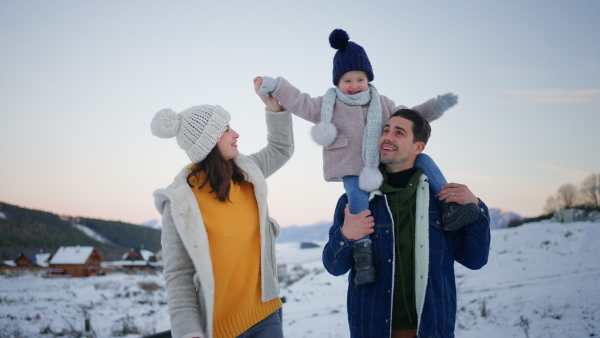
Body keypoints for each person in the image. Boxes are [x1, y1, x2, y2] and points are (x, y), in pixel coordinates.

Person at [259, 28, 479, 285]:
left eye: (359, 79)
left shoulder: (383, 103)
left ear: (368, 79)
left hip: (381, 164)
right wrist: (276, 86)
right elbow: (299, 101)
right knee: (355, 195)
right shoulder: (327, 105)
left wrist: (436, 106)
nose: (354, 86)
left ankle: (449, 204)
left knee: (425, 161)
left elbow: (411, 116)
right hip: (350, 167)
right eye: (347, 80)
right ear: (337, 83)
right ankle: (363, 249)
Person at [322, 108, 491, 338]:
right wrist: (346, 236)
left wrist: (478, 208)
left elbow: (474, 260)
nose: (387, 137)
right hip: (372, 331)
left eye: (399, 133)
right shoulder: (355, 201)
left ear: (418, 147)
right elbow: (334, 267)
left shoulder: (441, 202)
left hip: (431, 330)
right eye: (386, 130)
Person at [150, 77, 293, 338]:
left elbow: (281, 149)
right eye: (226, 129)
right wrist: (188, 332)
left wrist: (274, 108)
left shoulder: (248, 171)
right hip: (219, 329)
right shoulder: (180, 203)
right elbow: (178, 274)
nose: (235, 133)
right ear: (209, 141)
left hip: (265, 315)